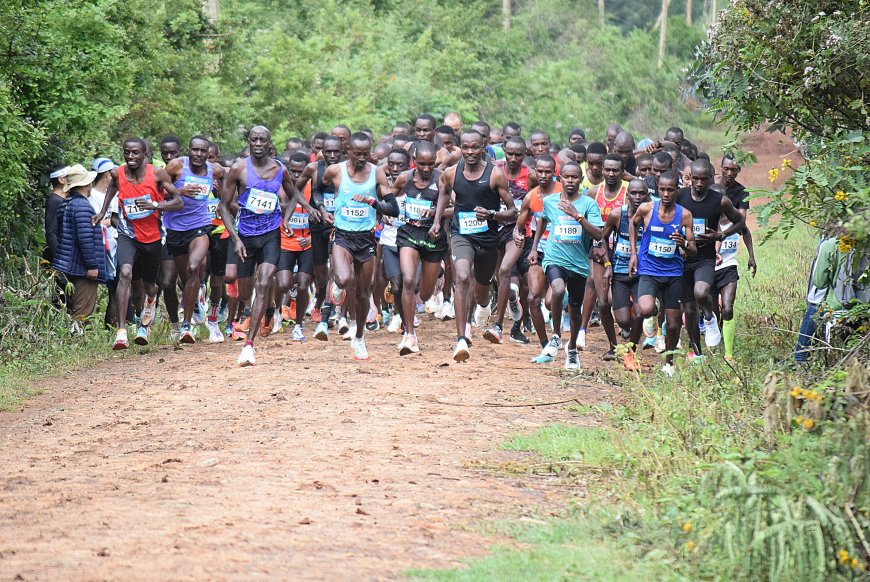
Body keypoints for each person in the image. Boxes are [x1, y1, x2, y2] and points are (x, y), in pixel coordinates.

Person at [221, 125, 314, 366]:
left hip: (271, 234)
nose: (259, 144)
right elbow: (223, 206)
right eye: (254, 140)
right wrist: (236, 239)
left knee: (263, 283)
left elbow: (294, 194)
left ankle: (248, 346)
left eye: (263, 140)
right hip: (245, 236)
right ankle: (268, 307)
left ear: (269, 142)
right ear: (249, 142)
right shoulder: (239, 169)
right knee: (244, 293)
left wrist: (286, 220)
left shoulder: (279, 169)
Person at [92, 136, 186, 350]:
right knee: (125, 273)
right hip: (128, 234)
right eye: (127, 152)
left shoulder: (157, 174)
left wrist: (155, 205)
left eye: (136, 153)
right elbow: (112, 188)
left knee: (150, 287)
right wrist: (102, 211)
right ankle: (123, 332)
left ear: (145, 155)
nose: (131, 156)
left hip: (152, 237)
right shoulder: (118, 173)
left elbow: (178, 201)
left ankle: (150, 303)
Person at [431, 130, 516, 362]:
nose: (470, 152)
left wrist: (491, 214)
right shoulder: (450, 174)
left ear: (483, 147)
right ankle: (461, 338)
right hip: (461, 235)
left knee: (481, 291)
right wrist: (438, 220)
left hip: (488, 239)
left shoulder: (495, 175)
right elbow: (444, 194)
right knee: (461, 277)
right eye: (466, 147)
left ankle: (483, 304)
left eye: (475, 148)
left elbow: (513, 212)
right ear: (460, 147)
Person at [316, 132, 400, 360]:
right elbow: (317, 189)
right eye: (357, 154)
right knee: (343, 279)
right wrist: (323, 210)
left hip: (366, 238)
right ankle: (338, 290)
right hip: (342, 235)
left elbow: (393, 208)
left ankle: (360, 337)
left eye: (366, 154)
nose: (362, 158)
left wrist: (372, 201)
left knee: (365, 291)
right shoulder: (335, 171)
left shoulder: (377, 173)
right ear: (348, 151)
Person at [528, 161, 604, 369]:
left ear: (581, 179)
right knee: (558, 289)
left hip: (578, 263)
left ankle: (571, 350)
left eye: (575, 177)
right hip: (554, 257)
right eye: (566, 177)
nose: (570, 181)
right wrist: (535, 248)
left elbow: (599, 234)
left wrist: (576, 215)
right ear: (559, 178)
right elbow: (542, 220)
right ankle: (555, 336)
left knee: (575, 308)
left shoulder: (588, 205)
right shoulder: (551, 201)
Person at [628, 171, 697, 376]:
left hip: (673, 273)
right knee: (645, 309)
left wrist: (684, 243)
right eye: (663, 189)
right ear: (658, 189)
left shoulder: (684, 215)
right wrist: (634, 253)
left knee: (674, 323)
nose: (666, 193)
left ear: (677, 190)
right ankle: (630, 351)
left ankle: (669, 363)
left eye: (670, 189)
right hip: (649, 269)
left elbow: (693, 249)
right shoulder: (647, 209)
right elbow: (633, 224)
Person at [676, 159, 745, 362]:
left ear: (710, 179)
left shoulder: (719, 200)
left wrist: (720, 236)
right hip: (683, 258)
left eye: (703, 180)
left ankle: (709, 316)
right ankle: (697, 353)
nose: (698, 184)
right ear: (689, 179)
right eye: (695, 179)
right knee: (688, 309)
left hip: (705, 258)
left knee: (701, 292)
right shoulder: (680, 196)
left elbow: (740, 221)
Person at [163, 136, 226, 344]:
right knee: (185, 279)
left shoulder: (213, 169)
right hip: (175, 229)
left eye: (203, 151)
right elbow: (158, 188)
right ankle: (195, 300)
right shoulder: (176, 166)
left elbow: (227, 177)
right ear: (188, 150)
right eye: (195, 150)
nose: (199, 154)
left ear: (208, 153)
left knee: (193, 268)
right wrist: (179, 191)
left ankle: (187, 325)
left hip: (200, 226)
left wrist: (223, 200)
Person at [391, 141, 447, 354]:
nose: (426, 169)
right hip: (409, 234)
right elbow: (388, 197)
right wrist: (384, 210)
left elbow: (455, 206)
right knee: (407, 280)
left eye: (430, 164)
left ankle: (438, 275)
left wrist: (436, 215)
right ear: (414, 160)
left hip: (433, 237)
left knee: (423, 295)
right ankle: (409, 333)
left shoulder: (441, 178)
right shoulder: (405, 178)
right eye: (422, 164)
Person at [484, 137, 539, 344]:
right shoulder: (494, 170)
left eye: (518, 154)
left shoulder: (531, 176)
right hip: (493, 228)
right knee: (504, 276)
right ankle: (512, 315)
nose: (514, 158)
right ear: (504, 152)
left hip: (518, 231)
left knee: (512, 274)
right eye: (510, 154)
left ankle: (502, 326)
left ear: (525, 155)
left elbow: (537, 203)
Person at [578, 153, 627, 357]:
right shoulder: (591, 193)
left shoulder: (628, 192)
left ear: (622, 172)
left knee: (621, 303)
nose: (610, 173)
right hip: (599, 250)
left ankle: (635, 327)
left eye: (615, 170)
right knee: (604, 301)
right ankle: (612, 346)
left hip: (625, 251)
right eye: (607, 169)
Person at [600, 179, 650, 371]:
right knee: (623, 320)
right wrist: (607, 264)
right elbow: (602, 239)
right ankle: (627, 333)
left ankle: (631, 352)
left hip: (643, 274)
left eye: (641, 193)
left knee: (641, 312)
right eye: (634, 193)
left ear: (647, 195)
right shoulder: (616, 215)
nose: (637, 197)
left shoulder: (652, 215)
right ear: (627, 195)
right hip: (620, 272)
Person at [515, 155, 562, 351]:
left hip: (562, 253)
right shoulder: (532, 196)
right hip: (540, 250)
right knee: (533, 297)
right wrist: (517, 234)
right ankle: (545, 344)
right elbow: (519, 224)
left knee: (552, 301)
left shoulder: (563, 191)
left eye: (547, 172)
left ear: (554, 173)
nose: (543, 176)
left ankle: (559, 332)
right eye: (540, 172)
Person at [713, 155, 757, 360]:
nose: (729, 173)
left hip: (729, 263)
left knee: (728, 306)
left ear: (738, 170)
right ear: (720, 168)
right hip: (708, 265)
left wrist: (751, 256)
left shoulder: (742, 193)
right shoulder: (712, 188)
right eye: (726, 169)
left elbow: (743, 225)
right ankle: (716, 331)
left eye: (734, 170)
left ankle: (728, 352)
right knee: (712, 308)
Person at [297, 135, 343, 326]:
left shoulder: (347, 169)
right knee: (321, 271)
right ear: (321, 152)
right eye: (328, 151)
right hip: (317, 224)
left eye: (336, 151)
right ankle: (321, 299)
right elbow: (296, 189)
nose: (332, 155)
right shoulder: (314, 168)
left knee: (336, 266)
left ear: (342, 151)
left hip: (339, 225)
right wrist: (310, 209)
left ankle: (331, 308)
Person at [53, 164, 108, 323]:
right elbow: (85, 238)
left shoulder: (66, 203)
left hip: (67, 265)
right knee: (82, 312)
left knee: (70, 309)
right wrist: (92, 266)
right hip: (81, 268)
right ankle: (77, 343)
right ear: (86, 185)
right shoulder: (83, 206)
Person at [277, 152, 315, 341]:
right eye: (293, 170)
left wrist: (311, 239)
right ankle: (279, 308)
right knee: (284, 283)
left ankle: (299, 325)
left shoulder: (314, 187)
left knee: (303, 285)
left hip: (308, 243)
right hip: (286, 241)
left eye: (301, 172)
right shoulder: (280, 186)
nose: (296, 175)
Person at [45, 165, 68, 265]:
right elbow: (51, 232)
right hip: (61, 256)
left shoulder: (64, 199)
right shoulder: (55, 201)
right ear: (61, 179)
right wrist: (59, 259)